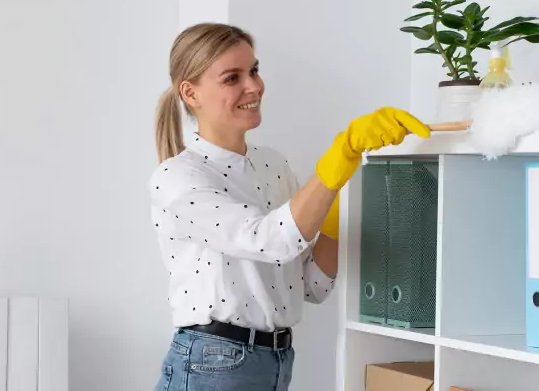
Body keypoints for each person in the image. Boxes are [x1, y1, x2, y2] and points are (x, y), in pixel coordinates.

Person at [149, 22, 431, 391]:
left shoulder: (273, 165)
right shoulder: (177, 177)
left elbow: (311, 285)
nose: (253, 86)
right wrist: (338, 159)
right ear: (191, 93)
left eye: (253, 70)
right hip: (213, 363)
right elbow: (269, 240)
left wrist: (334, 212)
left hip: (277, 361)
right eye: (232, 78)